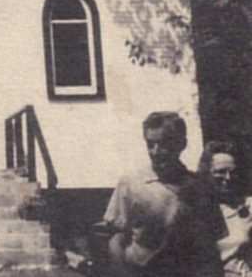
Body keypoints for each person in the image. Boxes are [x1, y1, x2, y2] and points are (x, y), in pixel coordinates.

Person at [103, 111, 224, 277]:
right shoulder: (131, 183)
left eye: (164, 144)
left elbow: (211, 247)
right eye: (150, 144)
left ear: (182, 144)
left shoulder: (201, 187)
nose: (155, 151)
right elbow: (116, 239)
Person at [199, 141, 252, 276]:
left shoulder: (248, 205)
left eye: (232, 172)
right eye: (220, 172)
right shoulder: (196, 211)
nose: (228, 178)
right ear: (206, 173)